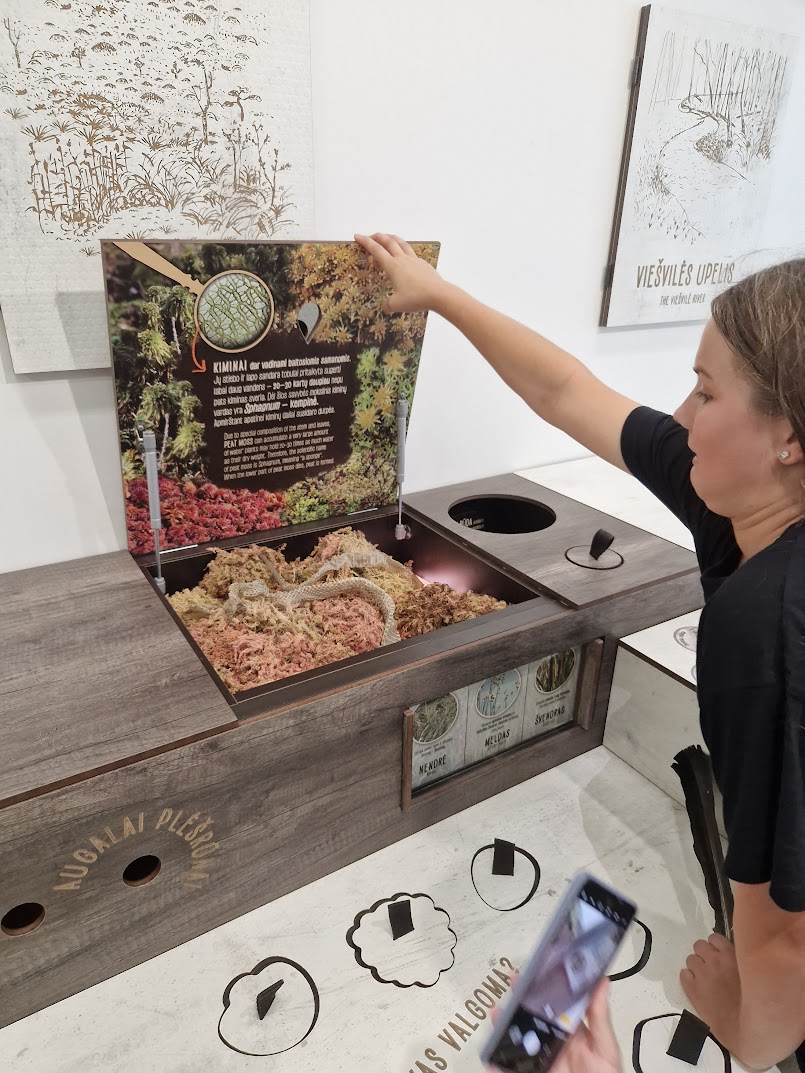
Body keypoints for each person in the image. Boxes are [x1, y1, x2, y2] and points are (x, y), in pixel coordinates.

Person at [356, 233, 805, 1071]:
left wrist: (744, 1028)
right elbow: (567, 391)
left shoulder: (764, 625)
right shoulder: (735, 493)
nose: (680, 416)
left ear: (789, 437)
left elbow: (784, 930)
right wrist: (439, 295)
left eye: (705, 392)